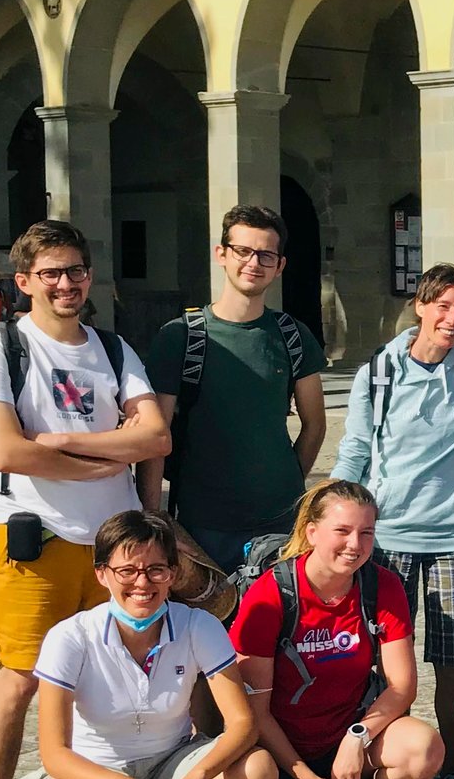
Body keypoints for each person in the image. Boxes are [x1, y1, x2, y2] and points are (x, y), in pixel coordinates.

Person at [0, 220, 170, 779]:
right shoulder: (2, 345)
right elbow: (5, 450)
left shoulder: (112, 348)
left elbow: (155, 436)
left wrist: (57, 443)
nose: (66, 283)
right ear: (23, 281)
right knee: (20, 679)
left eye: (75, 269)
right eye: (50, 272)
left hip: (115, 544)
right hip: (37, 539)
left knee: (119, 674)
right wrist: (106, 452)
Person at [7, 511, 277, 779]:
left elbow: (242, 723)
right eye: (127, 570)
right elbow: (54, 753)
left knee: (259, 772)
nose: (142, 582)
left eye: (156, 569)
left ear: (173, 574)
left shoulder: (198, 625)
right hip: (95, 774)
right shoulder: (71, 637)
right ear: (102, 574)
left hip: (171, 759)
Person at [333, 263, 454, 779]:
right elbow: (355, 448)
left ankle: (450, 773)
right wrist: (334, 516)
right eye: (443, 306)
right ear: (420, 306)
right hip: (390, 537)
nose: (452, 318)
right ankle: (391, 773)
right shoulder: (378, 372)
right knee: (385, 664)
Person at [231, 481, 440, 779]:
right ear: (312, 532)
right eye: (342, 531)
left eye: (366, 532)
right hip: (285, 754)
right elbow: (255, 714)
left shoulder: (380, 585)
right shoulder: (271, 595)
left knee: (424, 748)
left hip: (346, 738)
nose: (354, 545)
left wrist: (356, 738)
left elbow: (402, 687)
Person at [140, 204, 328, 574]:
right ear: (221, 254)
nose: (253, 263)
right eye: (243, 251)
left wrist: (289, 482)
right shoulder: (180, 336)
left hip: (281, 523)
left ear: (280, 265)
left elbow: (315, 424)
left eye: (265, 255)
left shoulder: (293, 336)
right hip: (202, 524)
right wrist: (153, 518)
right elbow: (154, 436)